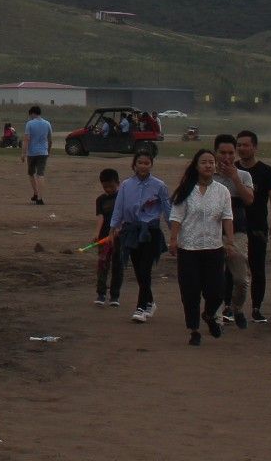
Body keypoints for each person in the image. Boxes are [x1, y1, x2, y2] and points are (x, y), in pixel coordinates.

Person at [168, 148, 235, 345]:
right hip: (188, 248)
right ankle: (194, 330)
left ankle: (209, 314)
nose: (208, 165)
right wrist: (173, 240)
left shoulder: (222, 191)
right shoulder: (186, 190)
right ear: (196, 166)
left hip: (213, 247)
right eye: (204, 162)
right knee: (190, 291)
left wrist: (229, 241)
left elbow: (227, 217)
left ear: (215, 167)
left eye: (211, 162)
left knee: (217, 290)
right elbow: (176, 217)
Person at [107, 146, 171, 322]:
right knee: (138, 270)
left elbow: (168, 211)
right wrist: (113, 228)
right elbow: (119, 208)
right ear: (134, 165)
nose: (143, 166)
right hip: (131, 231)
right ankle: (149, 301)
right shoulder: (126, 185)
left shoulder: (159, 186)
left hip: (150, 232)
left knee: (145, 269)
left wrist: (175, 233)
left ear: (151, 165)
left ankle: (141, 307)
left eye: (147, 163)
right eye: (140, 163)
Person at [235, 129, 271, 323]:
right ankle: (231, 307)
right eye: (239, 145)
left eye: (246, 145)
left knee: (257, 268)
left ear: (254, 147)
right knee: (233, 268)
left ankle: (256, 308)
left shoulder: (266, 171)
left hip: (257, 226)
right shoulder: (233, 170)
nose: (241, 149)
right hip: (236, 227)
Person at [213, 133, 256, 328]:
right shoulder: (208, 174)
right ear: (215, 153)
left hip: (237, 231)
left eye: (231, 152)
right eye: (223, 152)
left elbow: (249, 200)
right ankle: (213, 313)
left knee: (240, 278)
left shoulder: (244, 175)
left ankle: (236, 308)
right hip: (211, 231)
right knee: (213, 276)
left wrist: (235, 177)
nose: (227, 157)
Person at [92, 167, 123, 307]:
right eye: (105, 187)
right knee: (102, 264)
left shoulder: (123, 197)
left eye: (111, 186)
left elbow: (125, 216)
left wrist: (118, 229)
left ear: (118, 183)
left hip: (119, 237)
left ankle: (115, 296)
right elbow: (100, 216)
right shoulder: (100, 200)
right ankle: (101, 293)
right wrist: (97, 234)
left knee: (117, 265)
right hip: (104, 237)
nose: (108, 189)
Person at [22, 105, 52, 204]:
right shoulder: (47, 123)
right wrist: (48, 151)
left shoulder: (29, 124)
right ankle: (40, 197)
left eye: (30, 115)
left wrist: (23, 153)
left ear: (33, 113)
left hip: (32, 153)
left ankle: (35, 192)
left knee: (31, 173)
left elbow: (26, 139)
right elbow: (50, 139)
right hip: (43, 152)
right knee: (40, 174)